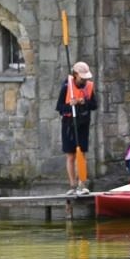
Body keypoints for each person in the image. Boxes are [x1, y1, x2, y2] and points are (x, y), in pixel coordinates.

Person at [57, 60, 97, 195]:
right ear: (75, 75)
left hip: (82, 124)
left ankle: (82, 184)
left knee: (82, 155)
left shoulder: (89, 87)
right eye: (82, 78)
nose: (85, 81)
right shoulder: (66, 87)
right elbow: (59, 108)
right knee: (70, 156)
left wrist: (83, 101)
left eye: (86, 78)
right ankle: (73, 185)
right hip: (69, 125)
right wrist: (71, 104)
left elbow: (94, 105)